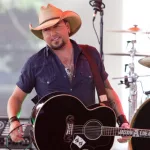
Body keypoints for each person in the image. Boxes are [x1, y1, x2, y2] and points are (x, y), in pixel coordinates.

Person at [7, 3, 130, 146]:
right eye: (46, 30)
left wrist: (123, 121)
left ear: (67, 26)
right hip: (48, 141)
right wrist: (13, 121)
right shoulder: (35, 63)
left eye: (56, 26)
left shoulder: (91, 54)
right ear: (42, 35)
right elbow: (16, 97)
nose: (52, 34)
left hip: (85, 142)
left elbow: (108, 90)